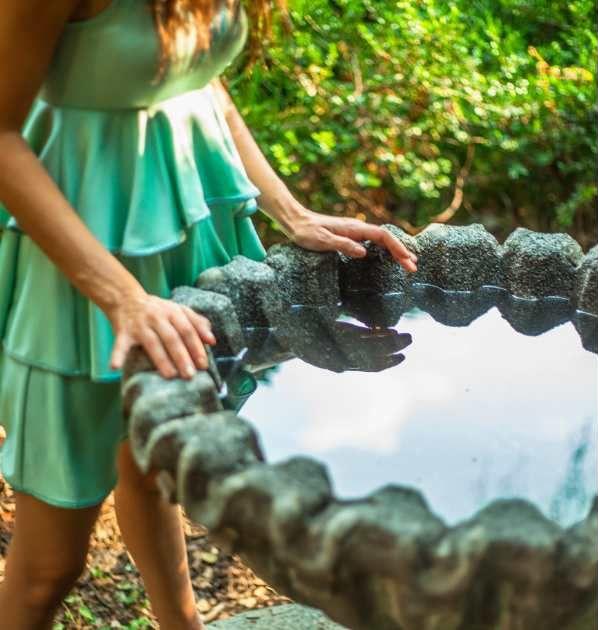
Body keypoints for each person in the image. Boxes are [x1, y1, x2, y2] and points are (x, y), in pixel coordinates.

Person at [0, 1, 418, 628]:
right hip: (78, 258)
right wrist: (121, 297)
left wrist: (292, 213)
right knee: (50, 566)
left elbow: (200, 77)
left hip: (185, 224)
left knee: (154, 461)